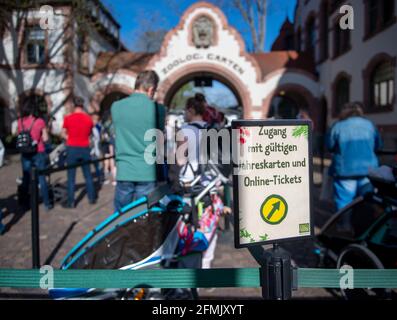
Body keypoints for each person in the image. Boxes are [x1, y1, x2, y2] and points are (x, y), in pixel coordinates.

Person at [111, 70, 165, 212]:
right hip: (147, 171)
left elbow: (117, 132)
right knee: (145, 216)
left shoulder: (116, 107)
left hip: (124, 169)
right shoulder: (158, 109)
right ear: (151, 89)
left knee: (120, 217)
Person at [326, 101, 382, 211]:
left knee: (344, 201)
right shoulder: (369, 124)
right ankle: (368, 225)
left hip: (344, 170)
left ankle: (345, 226)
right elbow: (378, 145)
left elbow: (330, 145)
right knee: (368, 199)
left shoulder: (338, 126)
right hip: (368, 170)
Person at [17, 100, 52, 211]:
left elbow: (19, 136)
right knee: (42, 178)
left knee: (26, 178)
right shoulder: (39, 121)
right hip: (39, 152)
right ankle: (47, 203)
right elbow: (45, 139)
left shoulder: (20, 121)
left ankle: (25, 204)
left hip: (25, 153)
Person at [62, 97, 96, 208]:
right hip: (84, 148)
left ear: (73, 105)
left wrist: (69, 138)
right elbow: (90, 133)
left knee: (71, 177)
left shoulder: (68, 118)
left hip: (72, 148)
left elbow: (63, 133)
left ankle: (71, 202)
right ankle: (92, 198)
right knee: (88, 175)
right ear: (82, 105)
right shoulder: (88, 119)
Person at [177, 96, 207, 184]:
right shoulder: (211, 129)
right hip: (209, 179)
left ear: (191, 110)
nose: (184, 113)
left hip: (189, 178)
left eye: (185, 110)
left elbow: (180, 161)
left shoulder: (184, 130)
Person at [90, 112, 104, 183]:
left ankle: (100, 179)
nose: (95, 121)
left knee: (98, 166)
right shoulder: (89, 128)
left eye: (97, 120)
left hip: (96, 150)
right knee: (95, 166)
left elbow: (98, 139)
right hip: (91, 151)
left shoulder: (97, 128)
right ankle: (96, 179)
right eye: (94, 119)